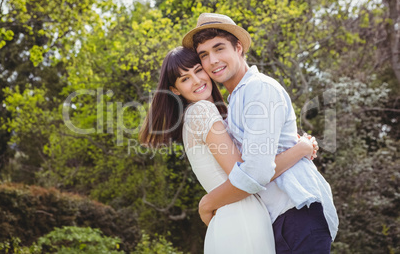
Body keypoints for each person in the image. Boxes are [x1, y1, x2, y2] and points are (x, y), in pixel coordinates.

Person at [182, 13, 339, 253]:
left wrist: (208, 203)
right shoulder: (234, 101)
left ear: (238, 47)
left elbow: (256, 171)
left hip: (295, 213)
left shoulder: (258, 89)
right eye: (204, 55)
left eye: (219, 48)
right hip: (276, 220)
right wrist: (300, 148)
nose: (212, 61)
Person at [139, 46, 318, 253]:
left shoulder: (205, 114)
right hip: (243, 215)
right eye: (185, 78)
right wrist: (301, 149)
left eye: (198, 70)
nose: (196, 80)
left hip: (235, 216)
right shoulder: (201, 111)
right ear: (175, 90)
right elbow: (248, 175)